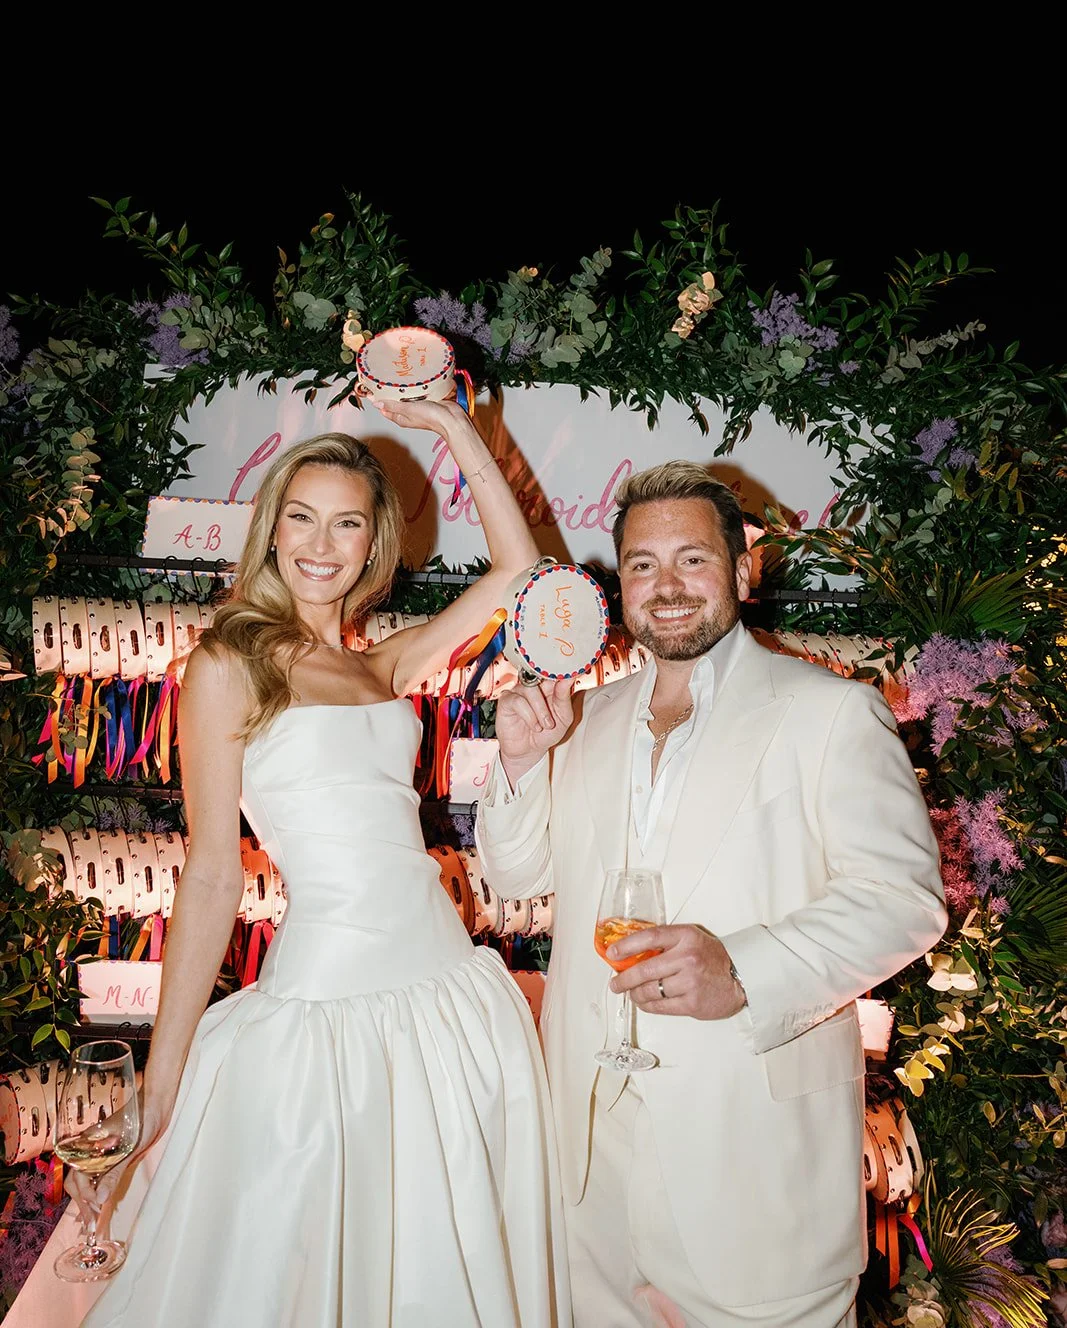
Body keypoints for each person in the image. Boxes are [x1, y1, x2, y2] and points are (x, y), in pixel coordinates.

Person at [61, 402, 570, 1327]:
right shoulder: (226, 663)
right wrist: (162, 1079)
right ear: (271, 527)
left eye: (347, 521)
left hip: (447, 989)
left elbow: (521, 571)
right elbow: (213, 873)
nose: (320, 543)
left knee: (434, 1250)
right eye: (301, 516)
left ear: (375, 540)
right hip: (325, 999)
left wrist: (455, 428)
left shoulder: (384, 666)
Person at [476, 461, 948, 1328]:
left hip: (753, 1166)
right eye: (643, 565)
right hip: (589, 1173)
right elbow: (515, 878)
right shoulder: (584, 717)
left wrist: (742, 970)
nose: (667, 586)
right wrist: (515, 764)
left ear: (742, 569)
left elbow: (904, 899)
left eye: (692, 559)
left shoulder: (831, 713)